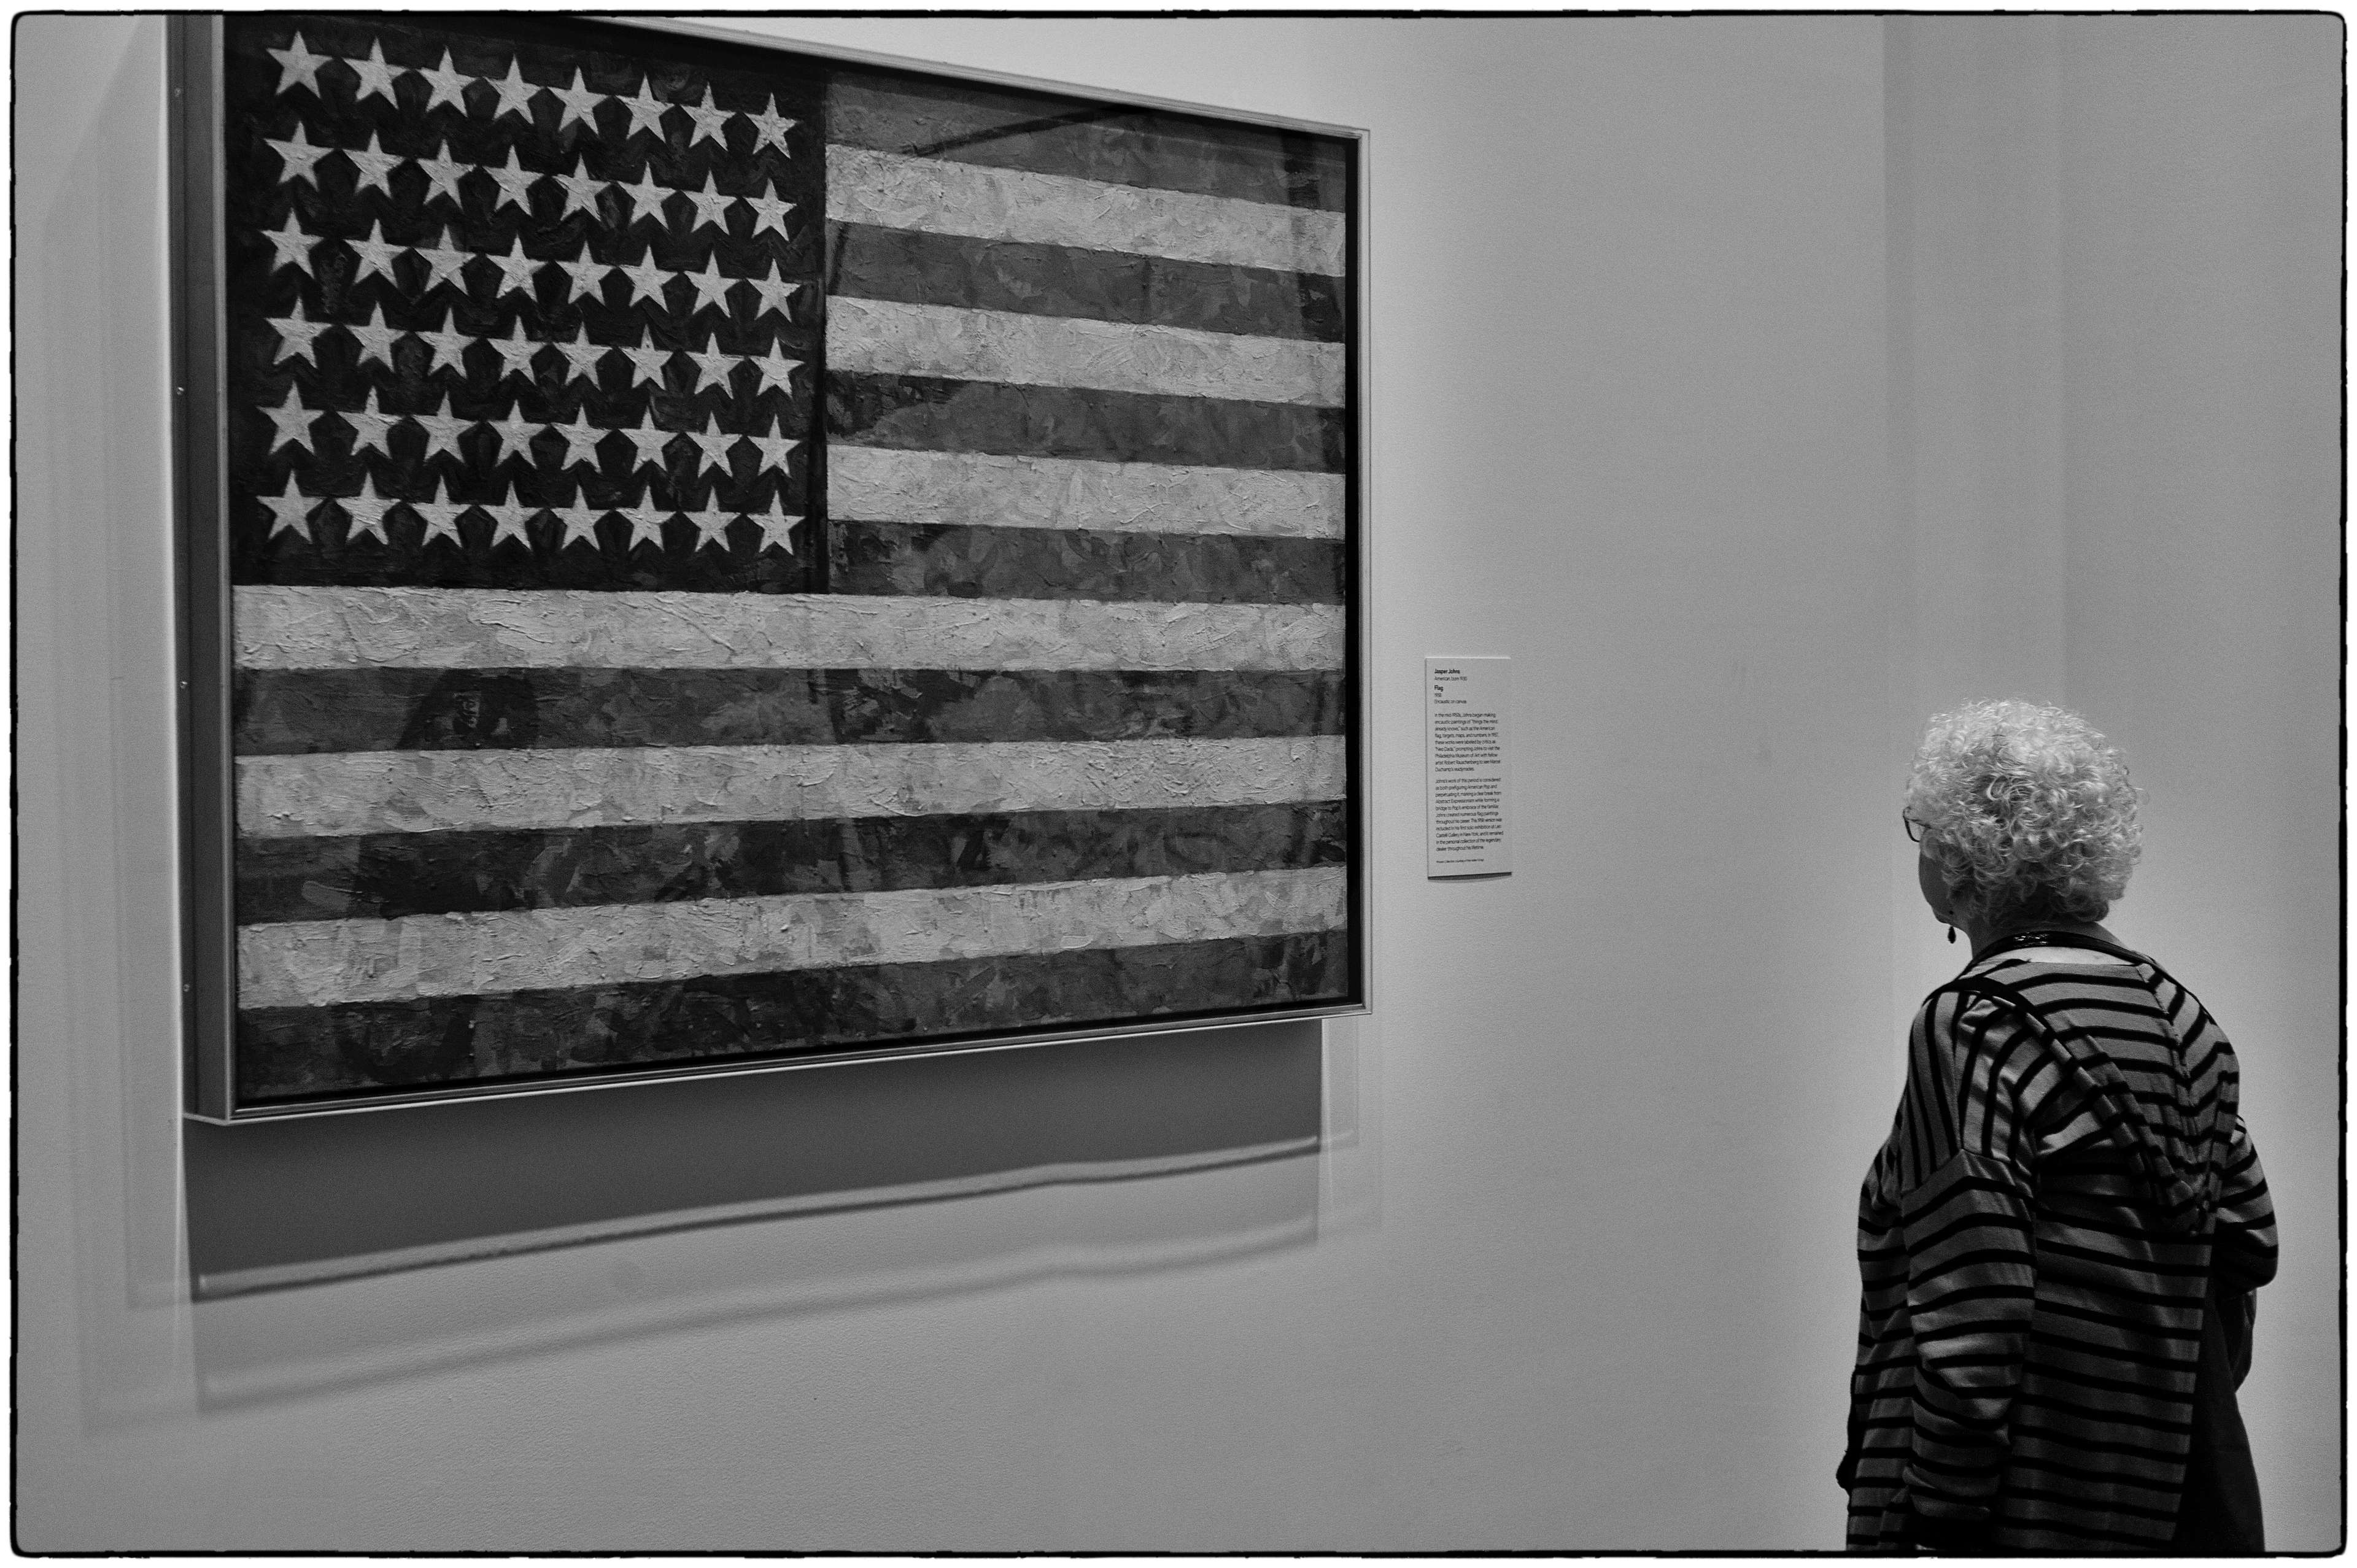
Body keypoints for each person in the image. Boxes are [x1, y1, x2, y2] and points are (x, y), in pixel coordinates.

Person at [1841, 700, 2278, 1553]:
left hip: (2005, 1507)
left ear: (1967, 864)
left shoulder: (1974, 1024)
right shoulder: (2184, 1017)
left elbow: (1975, 1298)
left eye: (1925, 834)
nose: (1921, 854)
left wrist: (1938, 1517)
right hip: (2144, 1495)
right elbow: (2244, 1248)